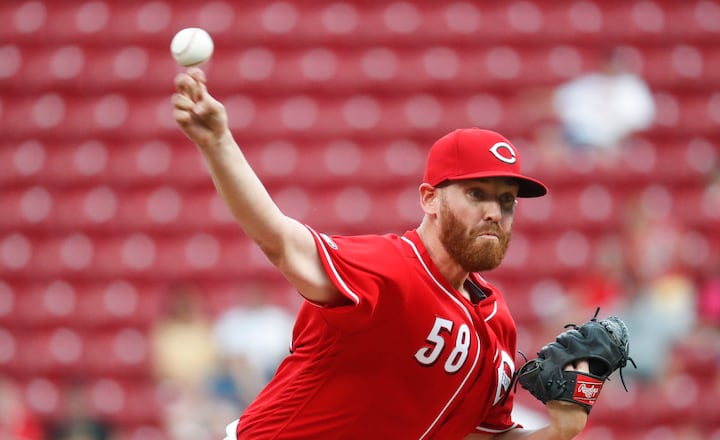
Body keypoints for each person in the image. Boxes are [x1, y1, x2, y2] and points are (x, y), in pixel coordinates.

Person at [172, 67, 591, 439]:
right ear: (429, 199)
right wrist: (218, 142)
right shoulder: (390, 269)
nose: (493, 212)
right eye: (475, 193)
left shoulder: (498, 326)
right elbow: (280, 241)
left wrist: (561, 430)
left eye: (506, 201)